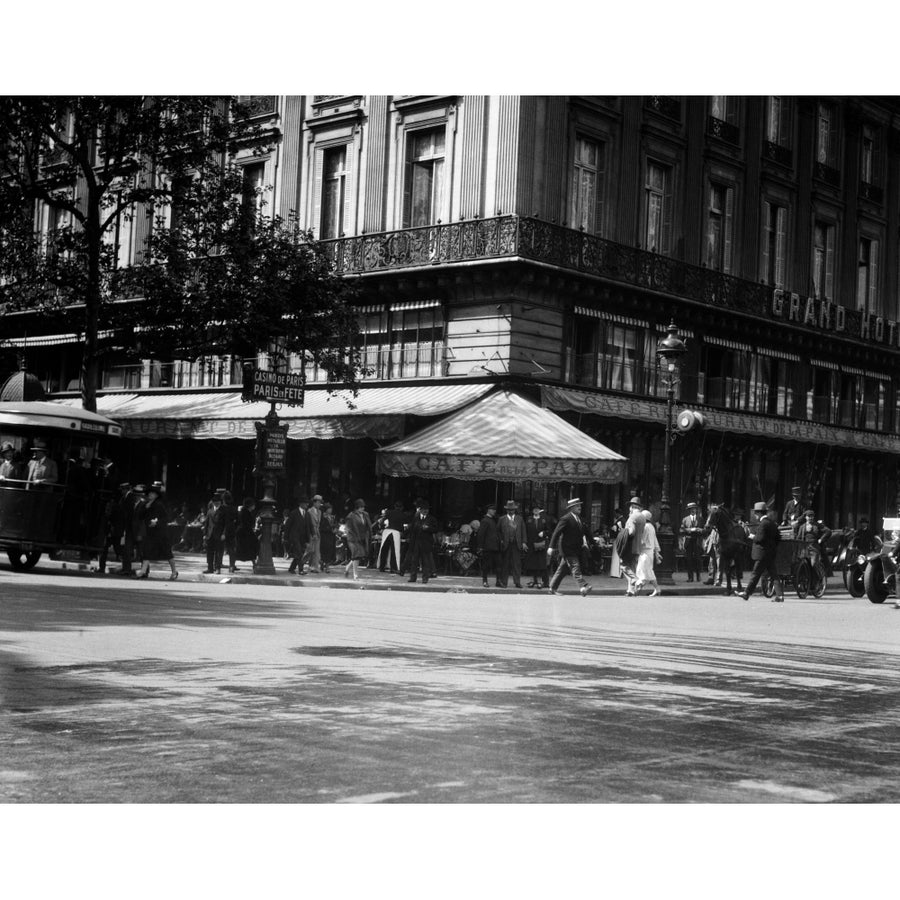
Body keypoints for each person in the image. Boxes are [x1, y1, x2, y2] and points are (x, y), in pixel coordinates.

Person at [547, 497, 593, 596]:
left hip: (576, 549)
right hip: (567, 549)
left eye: (580, 505)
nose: (579, 507)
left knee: (562, 570)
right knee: (575, 566)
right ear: (571, 508)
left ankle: (552, 588)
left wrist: (593, 543)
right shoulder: (566, 518)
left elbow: (586, 532)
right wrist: (551, 547)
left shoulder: (580, 519)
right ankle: (583, 587)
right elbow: (556, 533)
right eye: (577, 506)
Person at [740, 502, 784, 602]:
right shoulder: (772, 523)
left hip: (762, 554)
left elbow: (760, 538)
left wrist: (752, 537)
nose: (755, 515)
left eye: (755, 513)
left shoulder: (763, 524)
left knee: (755, 574)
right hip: (770, 554)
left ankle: (746, 593)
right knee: (774, 575)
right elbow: (778, 538)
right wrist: (772, 548)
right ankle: (780, 595)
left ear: (759, 513)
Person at [136, 483, 179, 580]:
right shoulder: (146, 504)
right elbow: (140, 516)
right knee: (146, 551)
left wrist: (157, 522)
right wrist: (145, 508)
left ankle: (174, 571)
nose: (150, 495)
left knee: (167, 553)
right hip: (150, 533)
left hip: (160, 533)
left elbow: (165, 518)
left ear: (156, 495)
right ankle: (143, 571)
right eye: (149, 493)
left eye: (152, 494)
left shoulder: (159, 505)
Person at [611, 497, 644, 595]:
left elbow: (631, 532)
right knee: (632, 567)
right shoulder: (642, 517)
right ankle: (631, 590)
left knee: (623, 565)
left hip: (630, 546)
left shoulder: (632, 517)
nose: (629, 508)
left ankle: (636, 580)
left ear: (632, 507)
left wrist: (622, 529)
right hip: (638, 546)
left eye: (630, 506)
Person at [405, 498, 438, 584]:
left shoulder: (432, 519)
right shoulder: (415, 518)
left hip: (426, 543)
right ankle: (413, 577)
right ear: (420, 510)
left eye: (427, 510)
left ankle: (425, 578)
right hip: (416, 542)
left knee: (425, 561)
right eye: (423, 510)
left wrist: (428, 528)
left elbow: (436, 529)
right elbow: (412, 529)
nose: (425, 511)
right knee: (414, 561)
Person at [497, 499, 527, 589]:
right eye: (509, 510)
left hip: (516, 544)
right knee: (505, 564)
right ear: (507, 510)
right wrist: (501, 540)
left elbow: (523, 531)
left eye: (512, 510)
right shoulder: (502, 519)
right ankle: (504, 582)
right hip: (505, 544)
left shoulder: (519, 519)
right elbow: (498, 531)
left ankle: (517, 582)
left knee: (517, 564)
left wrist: (524, 542)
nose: (511, 511)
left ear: (515, 510)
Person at [634, 508, 662, 596]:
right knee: (647, 571)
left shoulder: (645, 527)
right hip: (649, 552)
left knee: (643, 571)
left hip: (645, 552)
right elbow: (655, 540)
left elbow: (642, 540)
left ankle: (638, 588)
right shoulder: (652, 527)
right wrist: (657, 551)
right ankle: (655, 589)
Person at [343, 499, 373, 580]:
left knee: (359, 555)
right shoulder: (351, 516)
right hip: (353, 539)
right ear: (357, 507)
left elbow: (368, 526)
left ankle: (347, 567)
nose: (363, 508)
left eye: (363, 507)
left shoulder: (366, 514)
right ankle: (355, 575)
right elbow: (349, 529)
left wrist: (369, 535)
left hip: (362, 538)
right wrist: (354, 538)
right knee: (356, 556)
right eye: (361, 507)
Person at [474, 502, 501, 588]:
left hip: (496, 546)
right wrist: (480, 546)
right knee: (486, 565)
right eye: (493, 510)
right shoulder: (485, 520)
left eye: (494, 510)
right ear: (488, 510)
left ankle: (498, 581)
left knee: (498, 565)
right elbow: (481, 534)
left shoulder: (493, 520)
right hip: (488, 547)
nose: (494, 511)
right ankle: (485, 581)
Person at [524, 505, 551, 588]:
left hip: (541, 544)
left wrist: (544, 533)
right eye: (534, 509)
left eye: (537, 509)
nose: (536, 510)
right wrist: (524, 542)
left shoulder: (544, 519)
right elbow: (524, 531)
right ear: (532, 511)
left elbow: (549, 531)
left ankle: (542, 582)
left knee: (541, 563)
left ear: (539, 510)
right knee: (533, 563)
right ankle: (534, 581)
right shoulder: (528, 519)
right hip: (531, 544)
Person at [376, 500, 406, 574]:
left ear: (395, 506)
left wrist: (382, 527)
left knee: (383, 549)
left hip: (387, 531)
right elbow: (405, 525)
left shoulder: (389, 512)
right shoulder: (403, 514)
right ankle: (393, 568)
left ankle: (381, 566)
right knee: (395, 551)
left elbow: (382, 521)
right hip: (396, 532)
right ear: (402, 508)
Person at [284, 497, 310, 575]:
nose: (307, 505)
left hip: (303, 537)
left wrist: (308, 539)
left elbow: (308, 527)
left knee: (298, 553)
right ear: (301, 504)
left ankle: (291, 568)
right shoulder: (294, 513)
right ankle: (301, 570)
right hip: (294, 536)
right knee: (299, 553)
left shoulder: (307, 514)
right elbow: (288, 525)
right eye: (305, 503)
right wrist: (286, 537)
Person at [232, 497, 259, 571]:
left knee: (239, 550)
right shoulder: (245, 513)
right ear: (250, 505)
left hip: (242, 533)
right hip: (245, 533)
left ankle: (232, 565)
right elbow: (246, 523)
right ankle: (254, 565)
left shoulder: (244, 511)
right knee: (250, 549)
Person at [679, 501, 703, 583]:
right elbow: (681, 530)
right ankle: (690, 577)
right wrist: (690, 530)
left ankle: (698, 576)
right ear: (689, 510)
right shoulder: (685, 519)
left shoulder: (700, 519)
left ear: (696, 510)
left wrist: (700, 530)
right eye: (691, 509)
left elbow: (705, 530)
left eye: (694, 509)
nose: (693, 510)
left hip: (697, 541)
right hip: (688, 541)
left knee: (697, 559)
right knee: (689, 560)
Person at [303, 494, 324, 573]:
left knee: (316, 551)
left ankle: (314, 567)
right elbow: (308, 524)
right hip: (311, 533)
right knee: (310, 550)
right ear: (314, 503)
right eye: (318, 502)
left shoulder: (320, 512)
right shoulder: (309, 511)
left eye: (320, 503)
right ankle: (300, 562)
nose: (319, 504)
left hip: (317, 533)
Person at [703, 503, 721, 585]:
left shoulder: (719, 520)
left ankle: (718, 579)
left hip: (718, 543)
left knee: (718, 561)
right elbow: (710, 531)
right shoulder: (711, 518)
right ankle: (711, 578)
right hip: (712, 541)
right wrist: (707, 541)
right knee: (711, 561)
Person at [320, 502, 336, 571]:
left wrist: (335, 528)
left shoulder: (332, 517)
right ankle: (323, 564)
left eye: (331, 509)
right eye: (329, 509)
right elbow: (321, 526)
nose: (330, 510)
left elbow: (335, 524)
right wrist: (329, 529)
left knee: (330, 550)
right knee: (324, 550)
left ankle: (327, 565)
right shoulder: (322, 516)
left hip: (331, 536)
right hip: (324, 536)